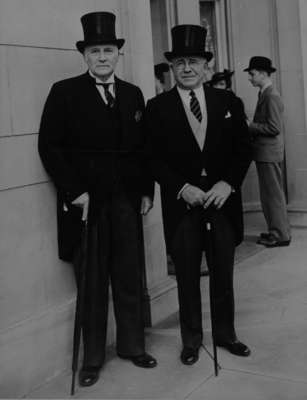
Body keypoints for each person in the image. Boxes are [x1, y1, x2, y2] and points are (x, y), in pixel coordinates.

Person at [38, 12, 157, 388]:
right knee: (91, 282)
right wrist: (76, 191)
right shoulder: (64, 92)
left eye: (108, 50)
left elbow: (143, 151)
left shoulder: (133, 94)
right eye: (95, 51)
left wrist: (145, 191)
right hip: (87, 204)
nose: (102, 57)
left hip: (125, 202)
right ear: (85, 56)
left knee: (127, 273)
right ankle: (92, 358)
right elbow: (50, 147)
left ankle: (132, 346)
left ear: (117, 54)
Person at [145, 24, 252, 366]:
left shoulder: (229, 102)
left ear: (207, 66)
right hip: (183, 207)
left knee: (222, 272)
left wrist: (228, 184)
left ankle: (225, 334)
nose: (187, 68)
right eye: (179, 63)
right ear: (172, 68)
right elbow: (151, 157)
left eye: (193, 61)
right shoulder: (157, 107)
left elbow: (243, 150)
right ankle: (191, 340)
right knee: (188, 275)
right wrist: (180, 187)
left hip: (222, 204)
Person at [244, 56, 291, 247]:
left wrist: (250, 126)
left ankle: (280, 235)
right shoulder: (266, 93)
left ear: (263, 74)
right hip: (267, 153)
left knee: (272, 195)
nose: (250, 78)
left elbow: (274, 128)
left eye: (252, 74)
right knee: (272, 194)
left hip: (268, 153)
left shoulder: (271, 95)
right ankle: (278, 231)